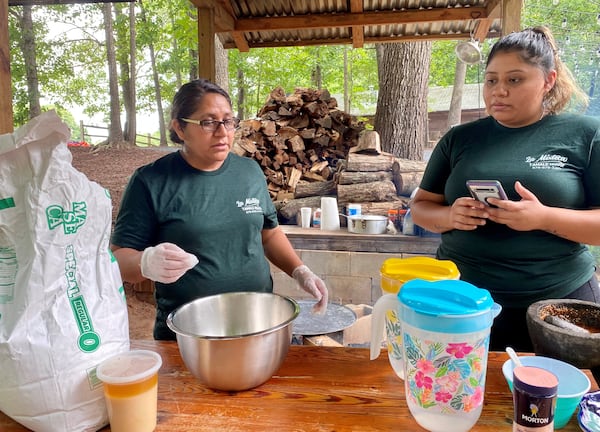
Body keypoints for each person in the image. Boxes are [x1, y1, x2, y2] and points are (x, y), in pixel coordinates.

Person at [410, 26, 600, 352]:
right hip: (463, 302)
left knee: (561, 400)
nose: (499, 91)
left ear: (548, 80)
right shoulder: (459, 138)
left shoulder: (585, 133)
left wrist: (542, 217)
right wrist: (451, 216)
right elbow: (421, 208)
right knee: (461, 396)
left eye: (514, 80)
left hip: (558, 305)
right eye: (491, 80)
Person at [110, 79, 328, 340]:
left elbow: (268, 234)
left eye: (228, 121)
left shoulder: (249, 172)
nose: (222, 132)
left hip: (258, 322)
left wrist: (300, 271)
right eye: (208, 122)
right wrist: (145, 262)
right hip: (188, 334)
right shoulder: (151, 181)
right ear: (179, 127)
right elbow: (118, 260)